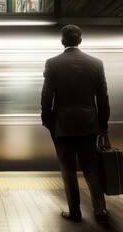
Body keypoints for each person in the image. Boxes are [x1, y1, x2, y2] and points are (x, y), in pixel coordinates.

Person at [41, 25, 110, 223]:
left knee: (68, 169)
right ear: (80, 41)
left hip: (62, 126)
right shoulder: (96, 63)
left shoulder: (53, 63)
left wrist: (47, 120)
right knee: (91, 167)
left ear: (62, 41)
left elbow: (47, 95)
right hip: (89, 124)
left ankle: (75, 212)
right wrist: (103, 124)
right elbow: (102, 97)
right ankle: (100, 211)